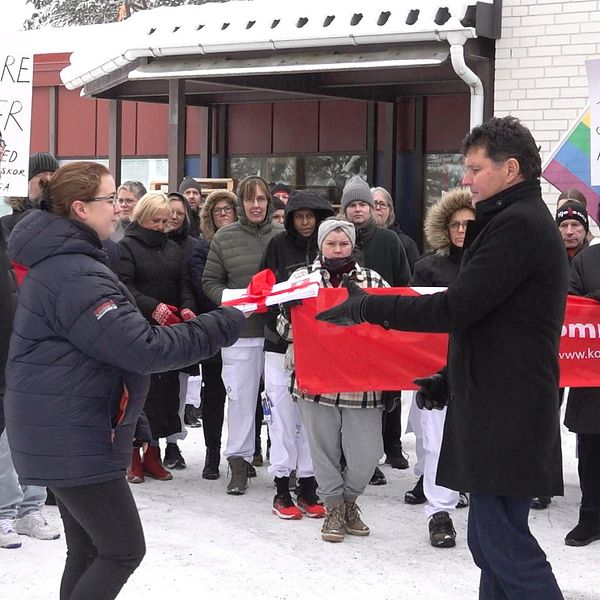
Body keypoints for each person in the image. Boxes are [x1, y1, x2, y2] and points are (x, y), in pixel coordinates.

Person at [317, 116, 566, 598]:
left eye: (474, 168)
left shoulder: (518, 225)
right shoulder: (507, 220)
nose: (465, 179)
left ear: (510, 168)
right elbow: (493, 322)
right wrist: (449, 376)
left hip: (509, 407)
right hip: (497, 397)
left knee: (501, 541)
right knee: (489, 539)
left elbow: (457, 306)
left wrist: (370, 305)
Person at [4, 161, 245, 599]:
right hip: (74, 431)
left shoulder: (69, 262)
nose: (118, 209)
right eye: (110, 200)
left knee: (90, 552)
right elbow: (143, 348)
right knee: (121, 550)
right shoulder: (76, 273)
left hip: (66, 424)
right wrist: (221, 324)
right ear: (80, 208)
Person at [277, 217, 389, 542]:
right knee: (322, 448)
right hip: (316, 378)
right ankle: (334, 509)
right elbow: (285, 332)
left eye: (343, 244)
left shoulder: (372, 280)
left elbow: (387, 327)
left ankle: (350, 499)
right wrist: (288, 313)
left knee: (367, 453)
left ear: (352, 246)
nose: (338, 249)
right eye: (331, 243)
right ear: (321, 245)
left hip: (361, 381)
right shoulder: (302, 280)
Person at [203, 176, 284, 494]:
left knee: (280, 402)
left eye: (261, 199)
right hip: (241, 333)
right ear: (241, 204)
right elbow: (210, 282)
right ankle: (238, 462)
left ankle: (284, 465)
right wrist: (236, 301)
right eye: (250, 200)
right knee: (239, 399)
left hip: (278, 335)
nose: (255, 205)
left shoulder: (282, 236)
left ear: (269, 203)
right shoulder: (224, 237)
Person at [405, 188, 474, 548]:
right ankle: (439, 512)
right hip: (436, 365)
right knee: (435, 442)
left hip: (483, 365)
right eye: (455, 224)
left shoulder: (495, 263)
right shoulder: (428, 267)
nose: (462, 230)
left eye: (469, 223)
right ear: (444, 229)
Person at [260, 190, 334, 519]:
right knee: (282, 419)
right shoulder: (277, 246)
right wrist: (282, 332)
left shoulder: (329, 247)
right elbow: (264, 294)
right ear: (290, 218)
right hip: (281, 348)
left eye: (310, 216)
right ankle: (280, 487)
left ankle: (307, 484)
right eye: (298, 216)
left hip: (318, 349)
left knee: (311, 421)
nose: (305, 222)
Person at [116, 192, 197, 482]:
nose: (163, 226)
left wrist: (187, 307)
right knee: (140, 394)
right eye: (157, 220)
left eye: (166, 220)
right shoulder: (126, 247)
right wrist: (153, 307)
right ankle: (132, 457)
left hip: (170, 328)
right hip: (138, 328)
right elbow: (124, 287)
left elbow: (184, 284)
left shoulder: (173, 249)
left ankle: (154, 452)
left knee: (165, 394)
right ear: (142, 218)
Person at [342, 176, 411, 484]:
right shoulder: (337, 239)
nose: (358, 210)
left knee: (382, 395)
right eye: (352, 205)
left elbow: (403, 284)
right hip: (345, 331)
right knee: (348, 396)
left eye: (363, 205)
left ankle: (379, 452)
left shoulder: (389, 241)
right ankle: (349, 457)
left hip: (380, 329)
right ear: (344, 210)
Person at [0, 227, 58, 550]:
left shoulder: (38, 257)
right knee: (6, 439)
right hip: (7, 357)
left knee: (34, 435)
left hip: (35, 357)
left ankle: (31, 507)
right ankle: (6, 510)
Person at [192, 189, 238, 479]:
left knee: (247, 395)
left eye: (228, 209)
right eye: (217, 210)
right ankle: (212, 453)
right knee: (214, 395)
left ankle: (248, 451)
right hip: (214, 325)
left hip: (244, 327)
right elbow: (202, 285)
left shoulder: (246, 242)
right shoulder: (200, 247)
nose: (223, 214)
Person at [163, 192, 205, 469]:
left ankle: (173, 444)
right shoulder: (149, 240)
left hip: (183, 322)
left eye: (180, 212)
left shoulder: (194, 246)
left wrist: (189, 308)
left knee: (177, 388)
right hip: (152, 319)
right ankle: (145, 444)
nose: (175, 216)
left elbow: (194, 283)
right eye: (170, 211)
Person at [564, 241, 600, 546]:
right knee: (591, 449)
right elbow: (568, 305)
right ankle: (590, 517)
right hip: (591, 373)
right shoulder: (587, 260)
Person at [1, 152, 60, 238]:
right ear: (26, 184)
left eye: (53, 175)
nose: (48, 181)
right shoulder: (6, 225)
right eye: (41, 176)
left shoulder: (65, 219)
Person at [371, 186, 420, 273]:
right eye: (374, 203)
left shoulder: (407, 244)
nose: (378, 208)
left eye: (383, 204)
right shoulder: (357, 241)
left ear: (390, 211)